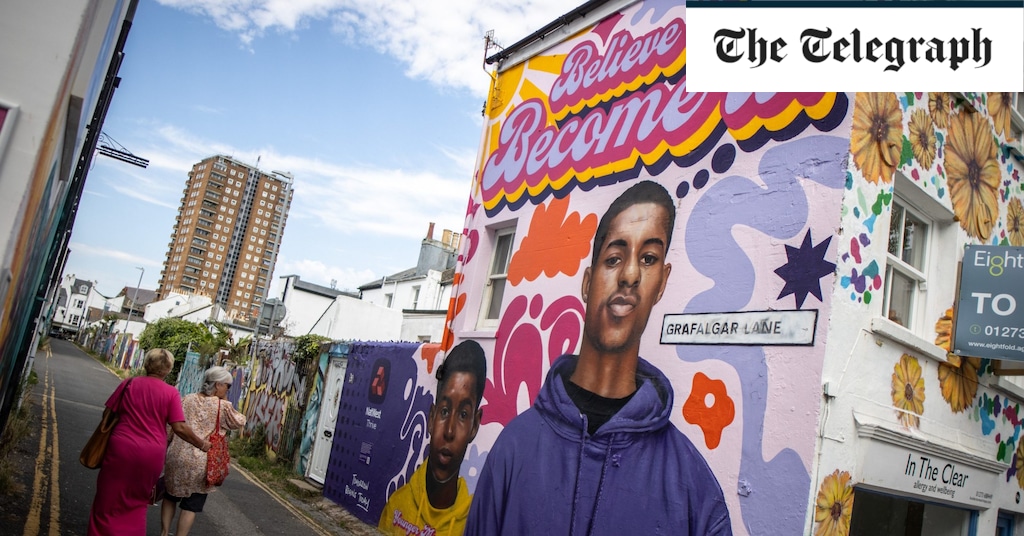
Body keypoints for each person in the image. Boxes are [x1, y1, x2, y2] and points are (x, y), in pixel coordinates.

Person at [465, 180, 732, 535]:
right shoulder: (514, 449)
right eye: (614, 258)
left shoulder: (691, 487)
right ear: (588, 282)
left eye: (649, 258)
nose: (630, 275)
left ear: (662, 282)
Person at [88, 348, 211, 535]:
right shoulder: (171, 393)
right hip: (151, 455)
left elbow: (107, 414)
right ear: (168, 369)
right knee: (137, 502)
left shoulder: (128, 384)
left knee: (107, 498)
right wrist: (201, 444)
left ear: (146, 364)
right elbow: (179, 427)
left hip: (121, 448)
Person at [378, 340, 487, 536]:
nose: (449, 431)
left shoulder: (473, 526)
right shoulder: (397, 504)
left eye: (463, 415)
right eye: (444, 411)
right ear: (431, 418)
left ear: (475, 426)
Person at [161, 366, 247, 536]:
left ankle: (164, 533)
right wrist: (225, 400)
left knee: (170, 496)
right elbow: (239, 422)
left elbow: (171, 427)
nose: (228, 389)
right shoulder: (223, 406)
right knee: (191, 505)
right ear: (218, 385)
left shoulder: (187, 399)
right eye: (227, 386)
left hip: (176, 456)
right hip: (202, 461)